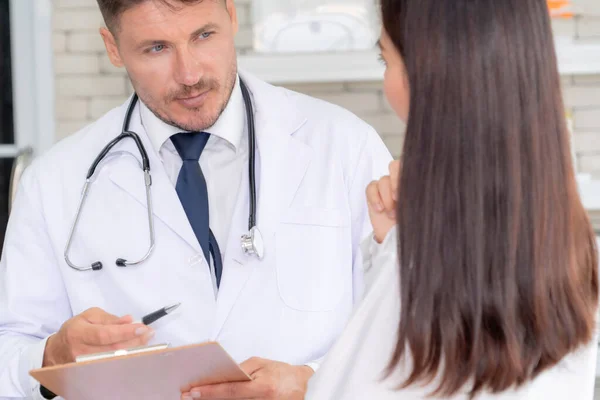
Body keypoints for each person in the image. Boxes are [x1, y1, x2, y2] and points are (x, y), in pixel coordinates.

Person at [0, 0, 392, 399]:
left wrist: (313, 382)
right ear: (113, 47)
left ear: (232, 15)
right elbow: (8, 352)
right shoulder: (54, 182)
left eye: (203, 36)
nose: (189, 75)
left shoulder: (345, 146)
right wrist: (51, 355)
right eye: (157, 48)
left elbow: (416, 333)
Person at [305, 0, 600, 399]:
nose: (387, 81)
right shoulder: (577, 256)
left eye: (386, 59)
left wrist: (397, 252)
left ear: (431, 76)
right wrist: (393, 241)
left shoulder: (424, 274)